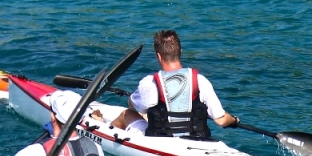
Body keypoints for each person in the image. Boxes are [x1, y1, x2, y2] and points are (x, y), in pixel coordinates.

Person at [98, 28, 239, 141]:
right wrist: (234, 120)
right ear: (180, 52)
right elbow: (221, 120)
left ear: (158, 56)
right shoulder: (201, 81)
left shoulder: (150, 83)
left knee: (126, 114)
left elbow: (132, 105)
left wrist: (135, 102)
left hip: (159, 143)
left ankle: (102, 129)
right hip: (199, 141)